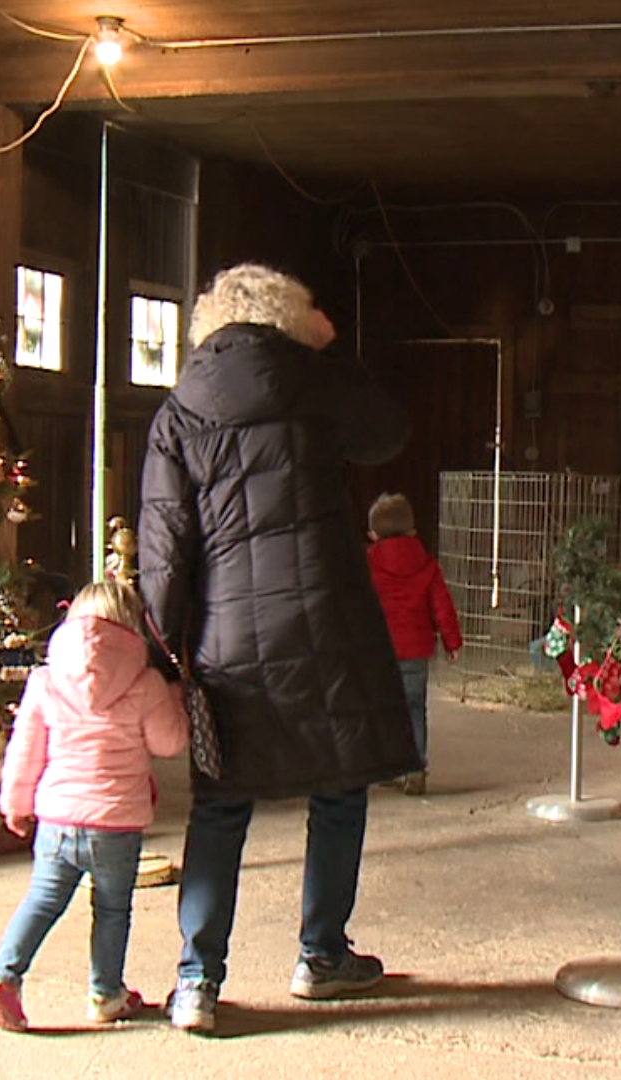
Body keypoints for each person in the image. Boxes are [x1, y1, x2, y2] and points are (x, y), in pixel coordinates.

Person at [138, 263, 416, 1034]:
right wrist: (333, 353)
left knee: (221, 806)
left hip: (229, 633)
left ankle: (196, 979)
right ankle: (322, 955)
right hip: (330, 622)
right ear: (289, 320)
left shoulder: (179, 410)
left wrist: (168, 653)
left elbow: (163, 551)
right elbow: (389, 430)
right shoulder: (314, 382)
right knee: (338, 787)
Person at [0, 580, 188, 1032]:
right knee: (111, 909)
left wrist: (15, 803)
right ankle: (106, 993)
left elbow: (25, 750)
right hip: (116, 823)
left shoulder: (46, 679)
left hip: (58, 820)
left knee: (43, 900)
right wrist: (174, 698)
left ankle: (2, 978)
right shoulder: (145, 680)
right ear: (131, 626)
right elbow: (170, 743)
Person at [365, 492, 463, 796]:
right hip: (415, 652)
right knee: (414, 708)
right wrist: (452, 640)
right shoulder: (427, 564)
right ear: (412, 531)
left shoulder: (367, 563)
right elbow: (441, 606)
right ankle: (415, 767)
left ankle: (388, 766)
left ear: (372, 534)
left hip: (378, 652)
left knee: (382, 710)